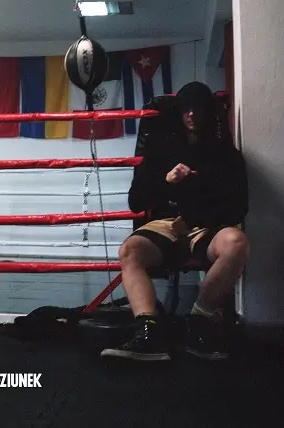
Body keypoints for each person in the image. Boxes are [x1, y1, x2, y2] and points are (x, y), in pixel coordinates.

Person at [101, 81, 250, 361]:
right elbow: (136, 201)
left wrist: (197, 214)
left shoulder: (226, 156)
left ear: (208, 112)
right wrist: (166, 182)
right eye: (186, 109)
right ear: (178, 112)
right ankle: (148, 332)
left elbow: (239, 207)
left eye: (198, 108)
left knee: (237, 242)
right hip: (165, 223)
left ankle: (199, 321)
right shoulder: (159, 152)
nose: (191, 114)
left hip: (207, 225)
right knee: (130, 250)